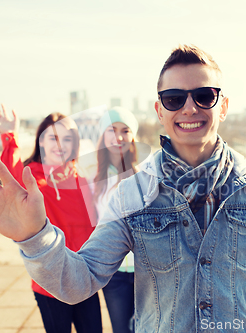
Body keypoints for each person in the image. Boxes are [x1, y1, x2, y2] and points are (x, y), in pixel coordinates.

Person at [0, 45, 246, 333]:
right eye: (174, 98)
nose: (190, 107)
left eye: (205, 96)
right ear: (159, 110)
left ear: (224, 106)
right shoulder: (132, 193)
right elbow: (79, 281)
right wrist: (34, 237)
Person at [0, 106, 102, 333]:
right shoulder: (30, 175)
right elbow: (11, 176)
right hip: (50, 281)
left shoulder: (82, 175)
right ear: (41, 141)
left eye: (67, 138)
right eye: (53, 137)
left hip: (84, 276)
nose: (60, 144)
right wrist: (9, 135)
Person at [94, 107, 138, 333]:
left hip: (145, 271)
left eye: (125, 130)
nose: (119, 137)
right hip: (114, 273)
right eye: (112, 130)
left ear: (133, 137)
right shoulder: (91, 179)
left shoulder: (145, 175)